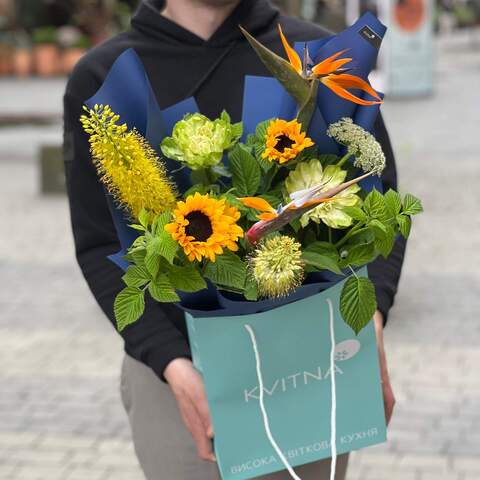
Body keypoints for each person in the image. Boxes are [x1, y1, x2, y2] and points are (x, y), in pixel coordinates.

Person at [63, 1, 404, 478]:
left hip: (312, 366)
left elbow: (379, 200)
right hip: (179, 378)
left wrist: (371, 320)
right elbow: (99, 243)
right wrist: (172, 364)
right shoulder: (104, 77)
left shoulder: (316, 57)